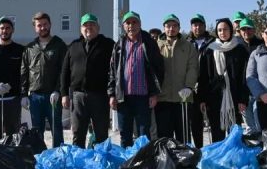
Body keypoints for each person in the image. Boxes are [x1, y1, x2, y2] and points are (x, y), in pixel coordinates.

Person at [108, 11, 164, 148]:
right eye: (128, 23)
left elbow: (158, 69)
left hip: (143, 98)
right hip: (123, 98)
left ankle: (143, 166)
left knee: (144, 135)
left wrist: (154, 93)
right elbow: (112, 71)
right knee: (125, 135)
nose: (131, 26)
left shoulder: (149, 42)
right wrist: (112, 94)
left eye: (134, 22)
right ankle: (127, 166)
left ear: (140, 24)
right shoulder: (119, 44)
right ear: (123, 26)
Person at [61, 13, 114, 147]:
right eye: (85, 25)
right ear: (81, 28)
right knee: (78, 134)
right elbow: (65, 72)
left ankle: (101, 164)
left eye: (92, 24)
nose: (89, 27)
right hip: (78, 96)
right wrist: (64, 94)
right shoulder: (73, 46)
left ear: (98, 27)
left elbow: (115, 71)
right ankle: (78, 163)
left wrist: (113, 93)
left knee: (101, 134)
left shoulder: (108, 45)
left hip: (100, 96)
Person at [21, 12, 68, 147]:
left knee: (56, 129)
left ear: (50, 24)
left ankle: (59, 157)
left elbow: (63, 71)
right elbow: (24, 72)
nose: (43, 28)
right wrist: (24, 94)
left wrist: (58, 90)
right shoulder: (30, 48)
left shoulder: (59, 45)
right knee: (36, 131)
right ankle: (39, 158)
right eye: (39, 25)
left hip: (53, 96)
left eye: (45, 24)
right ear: (35, 28)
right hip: (35, 97)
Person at [199, 18, 249, 142]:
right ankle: (220, 160)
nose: (222, 32)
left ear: (231, 30)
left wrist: (243, 99)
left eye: (225, 29)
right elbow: (204, 77)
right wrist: (202, 99)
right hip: (215, 97)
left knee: (235, 135)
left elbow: (245, 76)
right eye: (219, 30)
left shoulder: (240, 50)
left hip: (235, 98)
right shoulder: (210, 50)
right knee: (217, 134)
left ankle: (234, 159)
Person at [156, 14, 199, 143]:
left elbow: (193, 67)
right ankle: (166, 161)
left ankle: (185, 162)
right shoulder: (157, 46)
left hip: (183, 98)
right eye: (168, 26)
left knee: (183, 136)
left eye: (174, 26)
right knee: (164, 137)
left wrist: (189, 86)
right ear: (164, 28)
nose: (171, 29)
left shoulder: (188, 46)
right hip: (162, 98)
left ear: (179, 28)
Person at [187, 13, 215, 147]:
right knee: (195, 122)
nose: (197, 27)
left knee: (214, 123)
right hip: (192, 87)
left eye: (199, 24)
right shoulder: (187, 43)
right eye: (194, 25)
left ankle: (215, 151)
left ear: (204, 26)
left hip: (209, 87)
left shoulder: (213, 42)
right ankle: (198, 150)